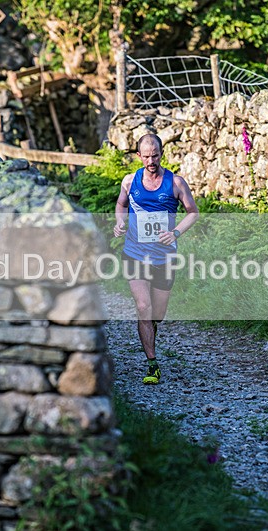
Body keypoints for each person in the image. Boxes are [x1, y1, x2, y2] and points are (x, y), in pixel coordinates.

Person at [113, 134, 199, 384]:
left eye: (156, 155)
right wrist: (120, 221)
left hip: (164, 257)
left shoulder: (176, 183)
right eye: (146, 156)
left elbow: (193, 213)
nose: (151, 161)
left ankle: (150, 330)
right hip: (135, 253)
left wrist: (174, 232)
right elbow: (121, 205)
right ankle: (152, 364)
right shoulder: (130, 181)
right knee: (143, 307)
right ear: (138, 156)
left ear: (162, 154)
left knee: (157, 314)